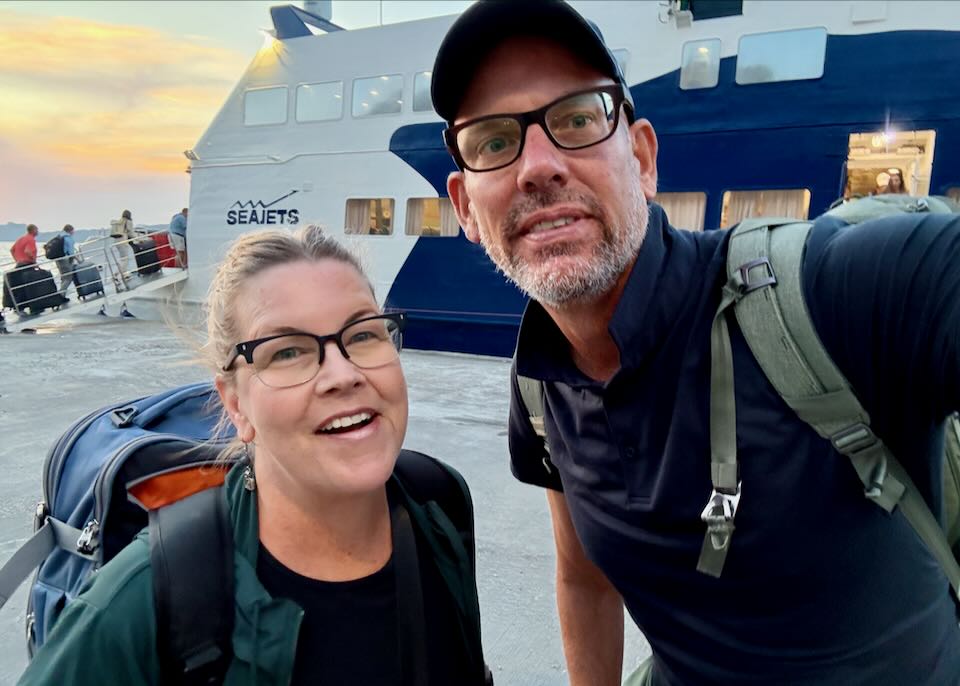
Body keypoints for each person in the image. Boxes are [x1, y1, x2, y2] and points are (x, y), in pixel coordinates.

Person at [432, 1, 960, 684]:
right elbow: (584, 578)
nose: (537, 165)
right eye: (494, 141)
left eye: (577, 119)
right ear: (467, 207)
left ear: (644, 158)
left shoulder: (827, 291)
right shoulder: (541, 385)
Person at [18, 225, 489, 686]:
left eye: (364, 335)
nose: (342, 375)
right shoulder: (146, 596)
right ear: (236, 404)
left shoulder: (438, 505)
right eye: (286, 353)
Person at [110, 209, 136, 288]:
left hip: (116, 241)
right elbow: (130, 232)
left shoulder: (119, 222)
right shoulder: (127, 222)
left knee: (122, 259)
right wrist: (138, 239)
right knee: (125, 259)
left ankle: (119, 274)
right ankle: (117, 275)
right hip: (123, 241)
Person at [53, 224, 78, 299]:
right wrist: (78, 260)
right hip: (65, 260)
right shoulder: (68, 238)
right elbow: (71, 253)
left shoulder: (59, 236)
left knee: (64, 277)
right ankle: (60, 294)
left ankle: (62, 295)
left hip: (58, 260)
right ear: (71, 230)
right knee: (68, 278)